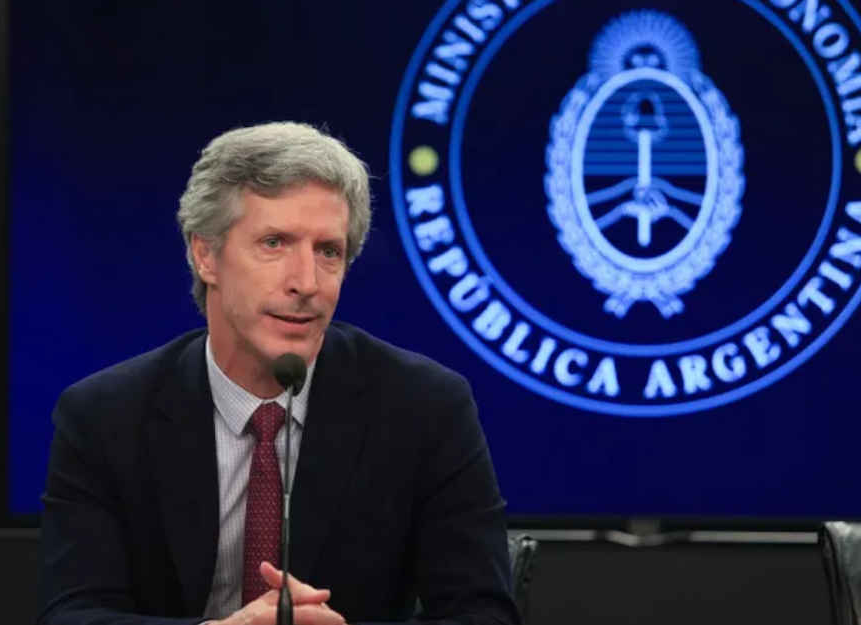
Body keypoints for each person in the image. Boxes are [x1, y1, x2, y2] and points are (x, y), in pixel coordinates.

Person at [38, 122, 519, 625]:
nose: (306, 282)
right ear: (206, 255)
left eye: (328, 251)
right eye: (274, 243)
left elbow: (483, 614)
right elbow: (70, 615)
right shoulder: (106, 416)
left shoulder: (425, 408)